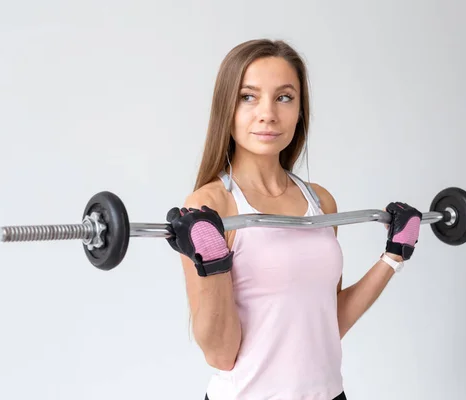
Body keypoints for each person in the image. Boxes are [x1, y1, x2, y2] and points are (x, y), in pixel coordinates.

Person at [165, 39, 423, 400]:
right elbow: (221, 355)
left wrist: (394, 255)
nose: (268, 113)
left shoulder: (319, 201)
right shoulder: (211, 206)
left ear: (301, 109)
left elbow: (329, 321)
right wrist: (215, 267)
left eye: (284, 97)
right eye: (248, 97)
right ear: (228, 107)